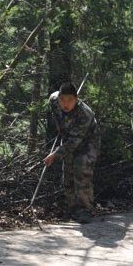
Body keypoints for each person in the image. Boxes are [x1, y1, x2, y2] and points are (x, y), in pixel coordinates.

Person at [44, 82, 100, 223]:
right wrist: (59, 125)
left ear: (76, 99)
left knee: (81, 168)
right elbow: (54, 108)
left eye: (70, 100)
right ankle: (72, 208)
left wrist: (56, 154)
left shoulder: (85, 114)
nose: (65, 104)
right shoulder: (54, 99)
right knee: (68, 171)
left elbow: (74, 142)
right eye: (62, 100)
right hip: (69, 137)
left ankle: (85, 210)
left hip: (88, 141)